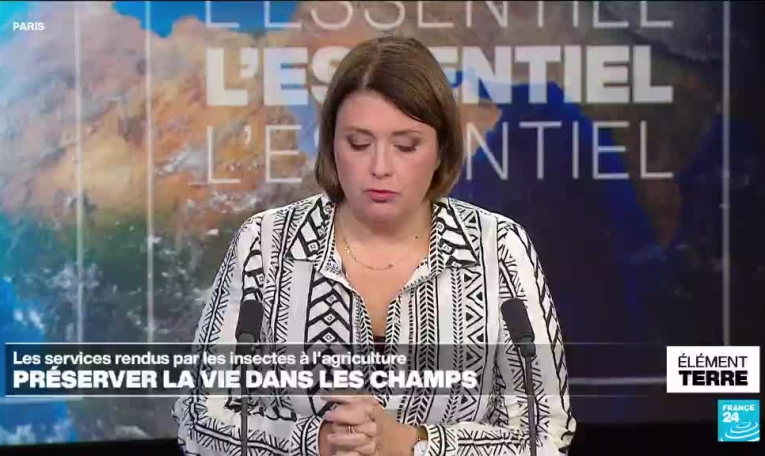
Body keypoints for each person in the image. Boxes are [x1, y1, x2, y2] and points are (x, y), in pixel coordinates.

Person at [172, 35, 575, 456]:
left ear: (441, 150)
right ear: (331, 145)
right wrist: (314, 443)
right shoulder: (266, 243)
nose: (380, 167)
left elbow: (546, 431)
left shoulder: (497, 247)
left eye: (406, 145)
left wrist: (411, 442)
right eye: (359, 144)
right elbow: (198, 419)